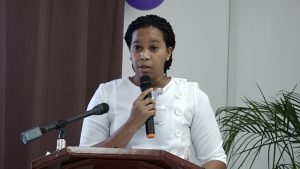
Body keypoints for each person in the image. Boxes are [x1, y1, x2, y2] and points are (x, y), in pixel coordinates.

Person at [79, 14, 227, 169]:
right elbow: (86, 158)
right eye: (137, 48)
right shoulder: (107, 93)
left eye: (153, 48)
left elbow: (215, 159)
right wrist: (132, 123)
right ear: (130, 52)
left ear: (169, 52)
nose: (144, 56)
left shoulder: (192, 95)